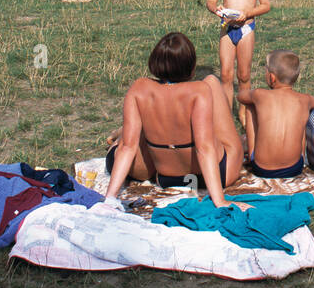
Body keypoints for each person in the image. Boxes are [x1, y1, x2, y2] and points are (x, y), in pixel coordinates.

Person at [102, 32, 243, 206]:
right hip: (216, 176)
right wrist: (219, 201)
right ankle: (124, 131)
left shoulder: (139, 88)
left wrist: (109, 198)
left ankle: (122, 132)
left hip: (166, 177)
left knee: (132, 137)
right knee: (212, 81)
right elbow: (204, 148)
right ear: (191, 67)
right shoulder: (201, 90)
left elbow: (128, 147)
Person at [205, 0, 271, 113]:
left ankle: (243, 112)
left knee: (243, 75)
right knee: (226, 74)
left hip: (246, 29)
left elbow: (265, 5)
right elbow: (211, 1)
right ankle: (226, 112)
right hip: (227, 29)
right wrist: (215, 8)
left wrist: (248, 12)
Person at [237, 51, 314, 177]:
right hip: (295, 167)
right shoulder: (305, 99)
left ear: (272, 77)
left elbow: (240, 96)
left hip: (261, 168)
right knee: (303, 113)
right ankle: (301, 155)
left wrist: (254, 96)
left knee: (251, 106)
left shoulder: (260, 95)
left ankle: (252, 155)